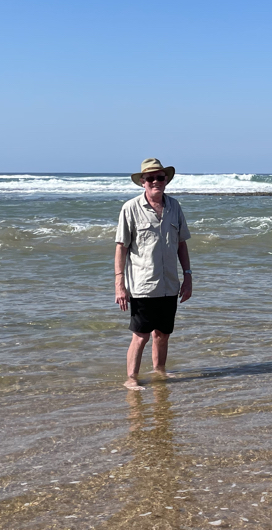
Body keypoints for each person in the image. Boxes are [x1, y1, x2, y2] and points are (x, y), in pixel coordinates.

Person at [115, 158, 192, 390]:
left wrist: (188, 276)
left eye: (160, 177)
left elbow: (181, 244)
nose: (156, 181)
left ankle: (159, 372)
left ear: (166, 180)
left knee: (163, 334)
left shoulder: (174, 207)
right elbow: (121, 247)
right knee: (141, 335)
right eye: (150, 178)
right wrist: (120, 284)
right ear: (142, 182)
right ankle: (131, 379)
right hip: (142, 284)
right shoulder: (130, 208)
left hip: (170, 283)